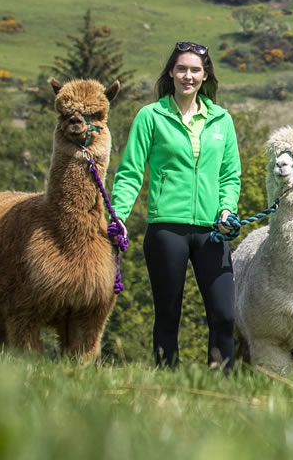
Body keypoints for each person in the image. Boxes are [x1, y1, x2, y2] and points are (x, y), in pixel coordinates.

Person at [110, 41, 243, 368]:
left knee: (225, 315)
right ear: (170, 72)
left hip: (213, 231)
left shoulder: (221, 120)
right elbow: (129, 173)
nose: (188, 76)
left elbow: (230, 175)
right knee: (168, 315)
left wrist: (226, 208)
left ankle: (219, 384)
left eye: (195, 70)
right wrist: (118, 216)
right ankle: (166, 383)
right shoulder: (150, 116)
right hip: (166, 230)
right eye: (182, 69)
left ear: (205, 74)